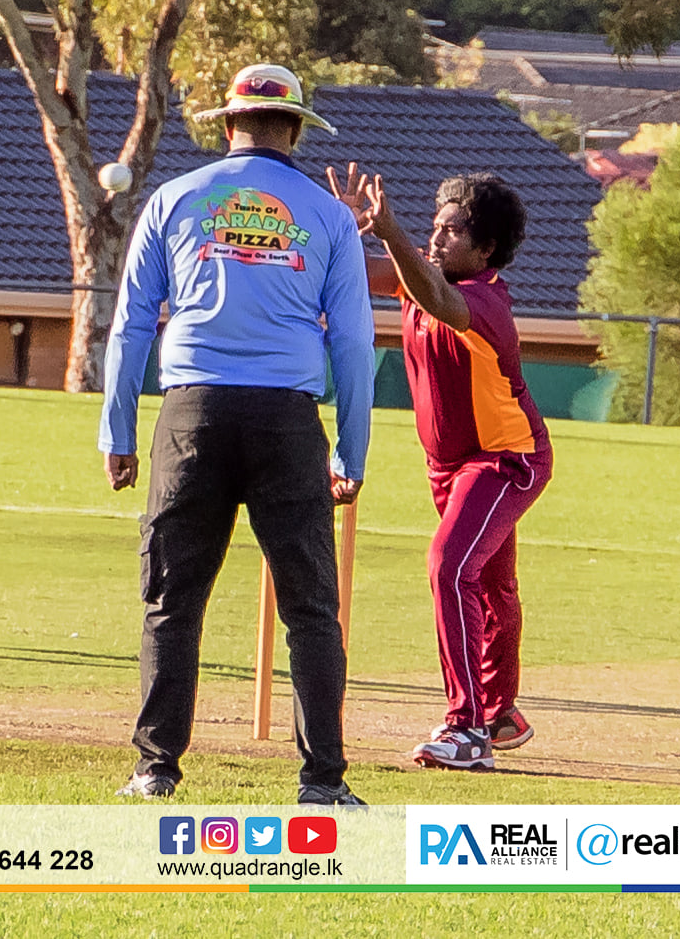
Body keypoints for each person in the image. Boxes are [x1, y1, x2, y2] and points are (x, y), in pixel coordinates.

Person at [99, 64, 376, 805]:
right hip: (287, 419)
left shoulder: (172, 199)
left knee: (171, 600)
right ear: (294, 128)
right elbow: (352, 344)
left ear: (227, 126)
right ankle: (322, 780)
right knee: (311, 609)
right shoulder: (327, 216)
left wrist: (116, 427)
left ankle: (155, 767)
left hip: (191, 413)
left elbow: (130, 323)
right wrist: (352, 450)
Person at [329, 164, 551, 771]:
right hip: (448, 465)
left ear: (486, 249)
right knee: (490, 584)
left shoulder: (482, 301)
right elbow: (358, 274)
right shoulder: (420, 276)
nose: (438, 237)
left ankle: (466, 727)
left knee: (449, 567)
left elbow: (434, 293)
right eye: (436, 226)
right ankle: (499, 711)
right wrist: (345, 230)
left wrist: (391, 230)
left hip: (507, 459)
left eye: (453, 231)